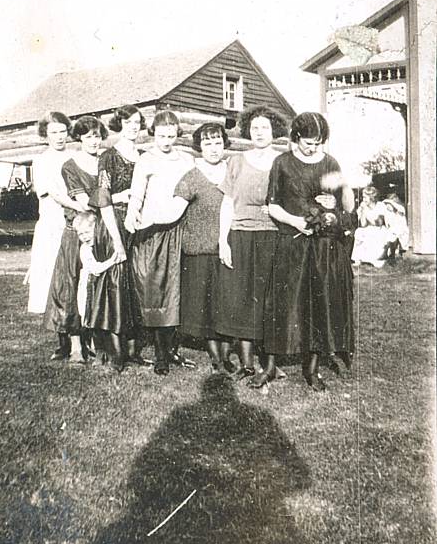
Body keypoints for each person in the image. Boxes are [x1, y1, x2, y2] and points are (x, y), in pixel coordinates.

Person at [255, 111, 355, 392]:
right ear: (296, 138)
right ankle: (271, 366)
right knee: (282, 303)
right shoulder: (282, 163)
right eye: (309, 142)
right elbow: (273, 206)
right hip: (292, 241)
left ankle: (311, 370)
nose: (314, 147)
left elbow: (347, 207)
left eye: (319, 142)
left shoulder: (330, 162)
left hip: (322, 246)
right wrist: (296, 220)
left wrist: (339, 192)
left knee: (317, 303)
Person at [148, 122, 235, 373]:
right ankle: (217, 358)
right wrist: (146, 217)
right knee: (206, 308)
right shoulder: (192, 176)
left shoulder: (231, 172)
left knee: (225, 304)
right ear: (199, 147)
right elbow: (173, 210)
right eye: (207, 143)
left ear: (224, 144)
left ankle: (224, 355)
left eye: (217, 142)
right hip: (198, 250)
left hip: (227, 248)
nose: (213, 148)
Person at [215, 105, 283, 381]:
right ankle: (246, 364)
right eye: (254, 128)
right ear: (247, 131)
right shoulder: (236, 161)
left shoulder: (282, 162)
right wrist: (223, 241)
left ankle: (270, 363)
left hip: (272, 236)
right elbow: (227, 203)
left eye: (264, 127)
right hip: (240, 235)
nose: (259, 132)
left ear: (274, 131)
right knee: (241, 298)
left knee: (269, 299)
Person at [125, 110, 194, 376]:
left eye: (171, 135)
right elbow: (137, 194)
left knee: (174, 288)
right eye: (162, 135)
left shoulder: (186, 160)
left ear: (177, 134)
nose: (166, 140)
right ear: (154, 133)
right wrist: (132, 218)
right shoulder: (146, 160)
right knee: (153, 288)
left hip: (178, 229)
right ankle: (159, 353)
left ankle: (171, 348)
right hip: (152, 230)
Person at [86, 105, 151, 369]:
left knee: (134, 287)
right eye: (128, 122)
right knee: (114, 286)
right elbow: (102, 199)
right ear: (119, 124)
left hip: (138, 225)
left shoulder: (145, 155)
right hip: (113, 225)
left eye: (137, 122)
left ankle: (133, 350)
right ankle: (114, 353)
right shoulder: (109, 157)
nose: (133, 127)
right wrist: (117, 240)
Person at [43, 115, 106, 362]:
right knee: (71, 285)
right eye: (89, 136)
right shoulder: (70, 164)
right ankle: (77, 348)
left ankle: (97, 342)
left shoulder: (105, 161)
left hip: (100, 229)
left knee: (97, 283)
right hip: (76, 230)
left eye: (98, 136)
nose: (94, 141)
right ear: (79, 137)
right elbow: (71, 199)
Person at [27, 111, 85, 314]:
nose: (59, 136)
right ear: (46, 134)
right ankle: (54, 314)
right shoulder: (41, 160)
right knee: (52, 267)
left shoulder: (75, 156)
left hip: (77, 219)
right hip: (53, 219)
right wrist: (78, 206)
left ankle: (75, 313)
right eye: (54, 132)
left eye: (62, 131)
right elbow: (52, 192)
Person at [73, 211, 119, 361]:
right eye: (81, 234)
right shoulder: (85, 249)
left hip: (100, 286)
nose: (84, 237)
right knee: (91, 316)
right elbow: (96, 269)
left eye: (87, 232)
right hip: (88, 287)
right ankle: (96, 349)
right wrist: (113, 261)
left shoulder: (103, 245)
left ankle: (103, 349)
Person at [351, 186, 388, 268]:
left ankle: (375, 260)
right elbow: (363, 224)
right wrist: (363, 210)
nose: (363, 200)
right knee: (359, 231)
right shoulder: (364, 207)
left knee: (374, 233)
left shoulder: (380, 206)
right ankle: (359, 259)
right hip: (369, 228)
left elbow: (378, 223)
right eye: (363, 197)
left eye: (365, 197)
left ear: (371, 197)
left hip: (379, 228)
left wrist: (367, 212)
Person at [382, 193, 409, 259]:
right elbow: (388, 222)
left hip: (401, 228)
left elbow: (401, 223)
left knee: (397, 235)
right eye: (387, 205)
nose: (388, 206)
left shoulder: (400, 209)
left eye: (390, 204)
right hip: (393, 229)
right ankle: (390, 253)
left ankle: (396, 253)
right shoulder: (389, 213)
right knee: (390, 235)